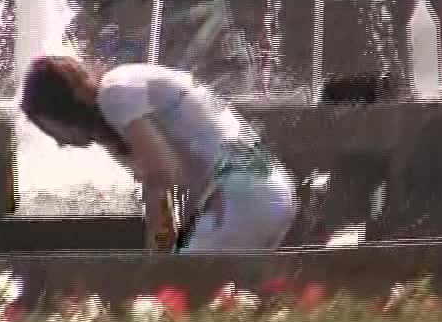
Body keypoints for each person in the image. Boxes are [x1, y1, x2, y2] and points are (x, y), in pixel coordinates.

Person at [20, 55, 298, 252]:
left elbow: (163, 176)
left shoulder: (115, 94)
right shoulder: (124, 86)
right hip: (265, 191)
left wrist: (157, 256)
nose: (59, 142)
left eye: (51, 128)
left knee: (176, 295)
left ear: (65, 108)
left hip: (245, 201)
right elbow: (177, 177)